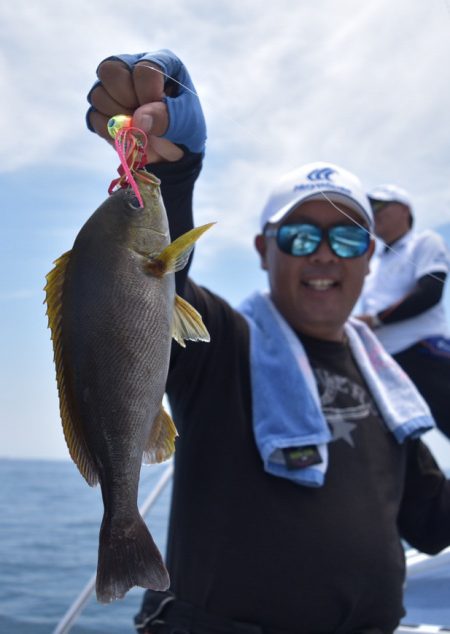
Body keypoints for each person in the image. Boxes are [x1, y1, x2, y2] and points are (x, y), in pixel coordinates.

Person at [86, 50, 450, 634]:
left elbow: (434, 520)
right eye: (302, 236)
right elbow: (157, 283)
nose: (326, 252)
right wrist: (173, 174)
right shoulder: (224, 343)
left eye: (349, 238)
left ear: (368, 259)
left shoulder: (388, 381)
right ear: (264, 250)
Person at [357, 184, 450, 439]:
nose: (373, 213)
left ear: (404, 210)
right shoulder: (373, 265)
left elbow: (430, 292)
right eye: (369, 208)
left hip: (425, 353)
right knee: (394, 441)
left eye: (379, 205)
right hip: (385, 363)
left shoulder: (424, 242)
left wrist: (375, 319)